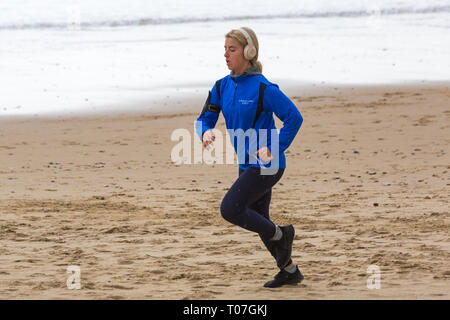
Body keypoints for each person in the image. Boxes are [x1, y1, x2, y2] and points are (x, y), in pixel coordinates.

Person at [195, 27, 304, 288]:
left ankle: (282, 233)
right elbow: (204, 118)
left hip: (268, 165)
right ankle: (289, 270)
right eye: (225, 49)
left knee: (230, 209)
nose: (226, 55)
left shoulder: (265, 88)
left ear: (248, 52)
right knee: (258, 219)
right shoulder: (221, 86)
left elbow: (294, 118)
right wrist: (206, 132)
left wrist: (274, 147)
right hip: (246, 165)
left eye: (232, 49)